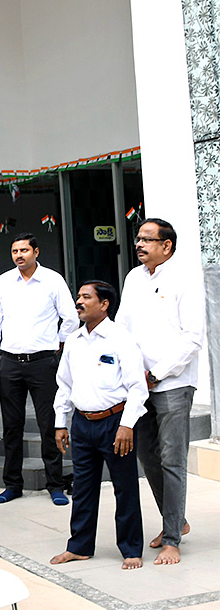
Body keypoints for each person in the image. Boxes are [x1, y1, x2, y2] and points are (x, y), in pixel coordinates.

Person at [116, 218, 204, 565]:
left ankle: (171, 539)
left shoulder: (184, 280)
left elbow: (192, 338)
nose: (139, 244)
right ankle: (176, 521)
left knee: (172, 459)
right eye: (138, 239)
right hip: (140, 385)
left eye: (147, 240)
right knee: (147, 457)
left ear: (166, 246)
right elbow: (122, 326)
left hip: (173, 384)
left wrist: (158, 373)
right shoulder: (134, 278)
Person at [50, 281, 147, 570]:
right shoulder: (74, 340)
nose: (79, 302)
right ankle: (79, 546)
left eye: (85, 297)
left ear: (104, 304)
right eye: (78, 297)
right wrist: (60, 423)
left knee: (124, 487)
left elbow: (138, 388)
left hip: (115, 423)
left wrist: (127, 425)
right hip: (82, 424)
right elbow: (64, 385)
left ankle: (131, 549)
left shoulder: (120, 338)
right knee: (82, 487)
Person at [0, 233, 77, 505]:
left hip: (43, 363)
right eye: (14, 251)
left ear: (36, 251)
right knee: (12, 427)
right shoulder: (3, 282)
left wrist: (57, 345)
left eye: (24, 250)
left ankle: (55, 484)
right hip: (10, 363)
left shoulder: (52, 280)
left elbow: (70, 318)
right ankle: (12, 484)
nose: (19, 255)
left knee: (50, 424)